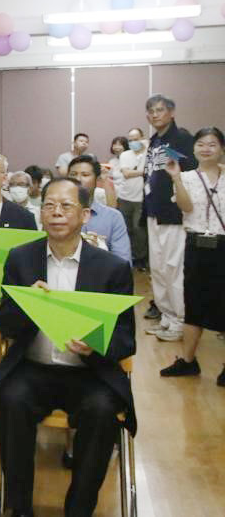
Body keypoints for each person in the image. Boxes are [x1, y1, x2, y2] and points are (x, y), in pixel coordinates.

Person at [0, 177, 135, 517]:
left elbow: (126, 338)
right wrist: (29, 305)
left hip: (89, 373)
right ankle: (19, 508)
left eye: (66, 206)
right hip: (32, 368)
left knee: (102, 412)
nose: (56, 213)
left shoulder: (111, 268)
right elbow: (5, 325)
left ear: (85, 215)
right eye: (49, 205)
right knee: (10, 401)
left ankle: (79, 508)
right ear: (40, 213)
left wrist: (95, 345)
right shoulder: (21, 259)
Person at [159, 127, 225, 383]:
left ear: (221, 148)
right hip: (197, 245)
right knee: (193, 301)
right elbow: (186, 208)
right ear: (194, 148)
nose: (206, 148)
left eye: (212, 144)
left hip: (223, 244)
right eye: (201, 143)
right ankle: (188, 361)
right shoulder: (185, 176)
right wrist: (175, 178)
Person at [143, 93, 196, 342]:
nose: (155, 114)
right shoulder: (154, 141)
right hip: (154, 212)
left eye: (160, 110)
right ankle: (166, 317)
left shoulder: (181, 138)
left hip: (174, 213)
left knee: (174, 269)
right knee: (158, 269)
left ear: (172, 113)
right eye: (151, 111)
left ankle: (180, 321)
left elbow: (190, 171)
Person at [67, 156, 131, 264]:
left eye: (85, 175)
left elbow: (124, 264)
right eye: (73, 174)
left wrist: (99, 253)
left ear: (97, 180)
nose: (77, 179)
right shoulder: (55, 214)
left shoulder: (113, 217)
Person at [116, 132, 148, 271]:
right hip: (124, 197)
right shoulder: (125, 155)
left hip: (142, 199)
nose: (133, 142)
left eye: (136, 139)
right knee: (125, 229)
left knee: (139, 230)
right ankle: (126, 258)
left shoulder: (149, 154)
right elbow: (126, 174)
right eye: (130, 140)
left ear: (142, 139)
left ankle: (140, 259)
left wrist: (138, 171)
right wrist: (143, 171)